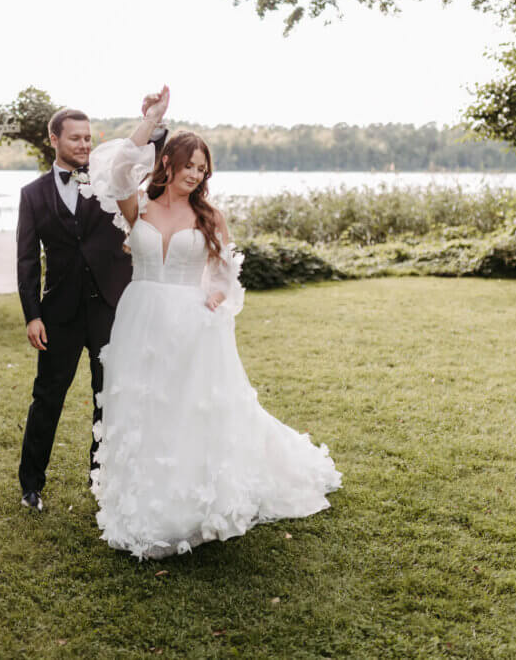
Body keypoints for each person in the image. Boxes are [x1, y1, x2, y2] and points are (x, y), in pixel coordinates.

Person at [83, 87, 342, 559]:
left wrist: (216, 296)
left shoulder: (209, 216)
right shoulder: (137, 205)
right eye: (190, 165)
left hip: (189, 323)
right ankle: (141, 498)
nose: (197, 175)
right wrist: (151, 119)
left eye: (203, 169)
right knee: (141, 406)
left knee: (185, 409)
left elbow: (224, 272)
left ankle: (187, 504)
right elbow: (117, 171)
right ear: (168, 164)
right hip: (139, 318)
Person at [16, 102, 168, 512]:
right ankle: (31, 485)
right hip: (58, 315)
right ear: (54, 140)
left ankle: (101, 478)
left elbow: (148, 154)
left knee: (109, 397)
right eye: (75, 138)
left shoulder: (109, 177)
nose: (84, 145)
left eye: (87, 138)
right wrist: (32, 314)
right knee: (47, 398)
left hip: (112, 309)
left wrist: (154, 122)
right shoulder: (32, 195)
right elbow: (27, 259)